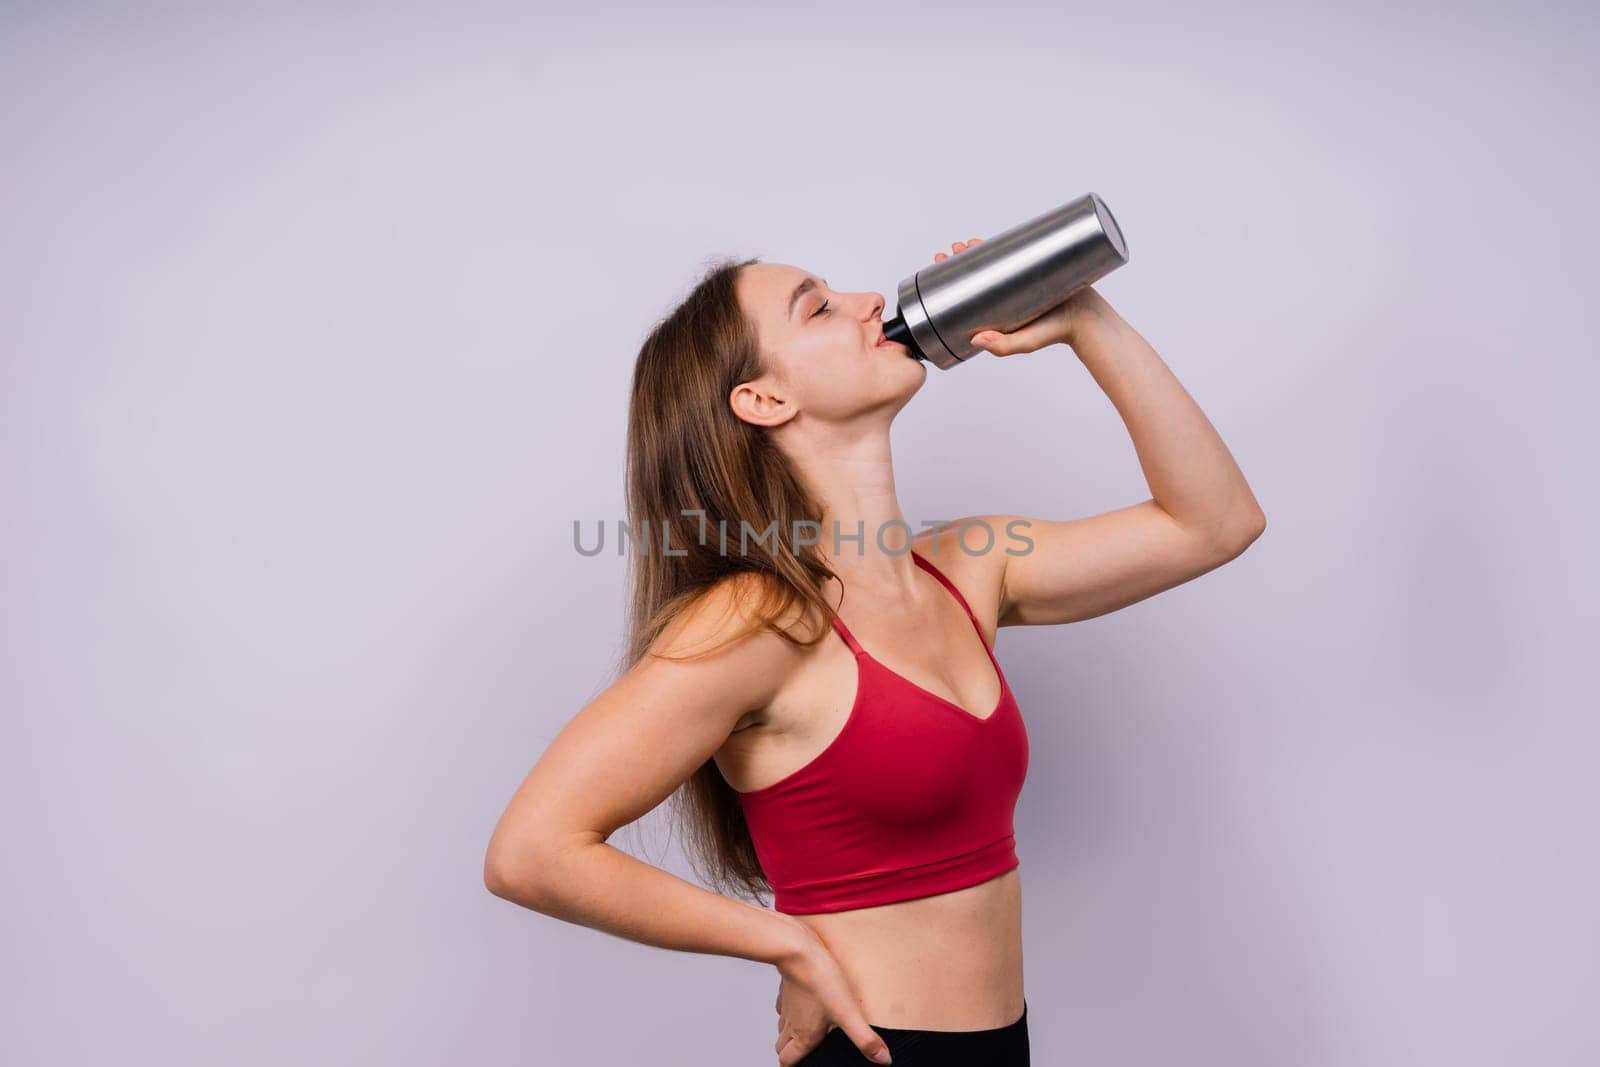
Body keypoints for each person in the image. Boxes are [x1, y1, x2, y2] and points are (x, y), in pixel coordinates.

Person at [483, 237, 1266, 1065]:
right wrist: (785, 944)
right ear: (763, 398)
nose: (867, 302)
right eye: (818, 305)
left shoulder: (971, 563)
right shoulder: (760, 620)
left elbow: (1215, 522)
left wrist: (1083, 317)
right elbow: (531, 850)